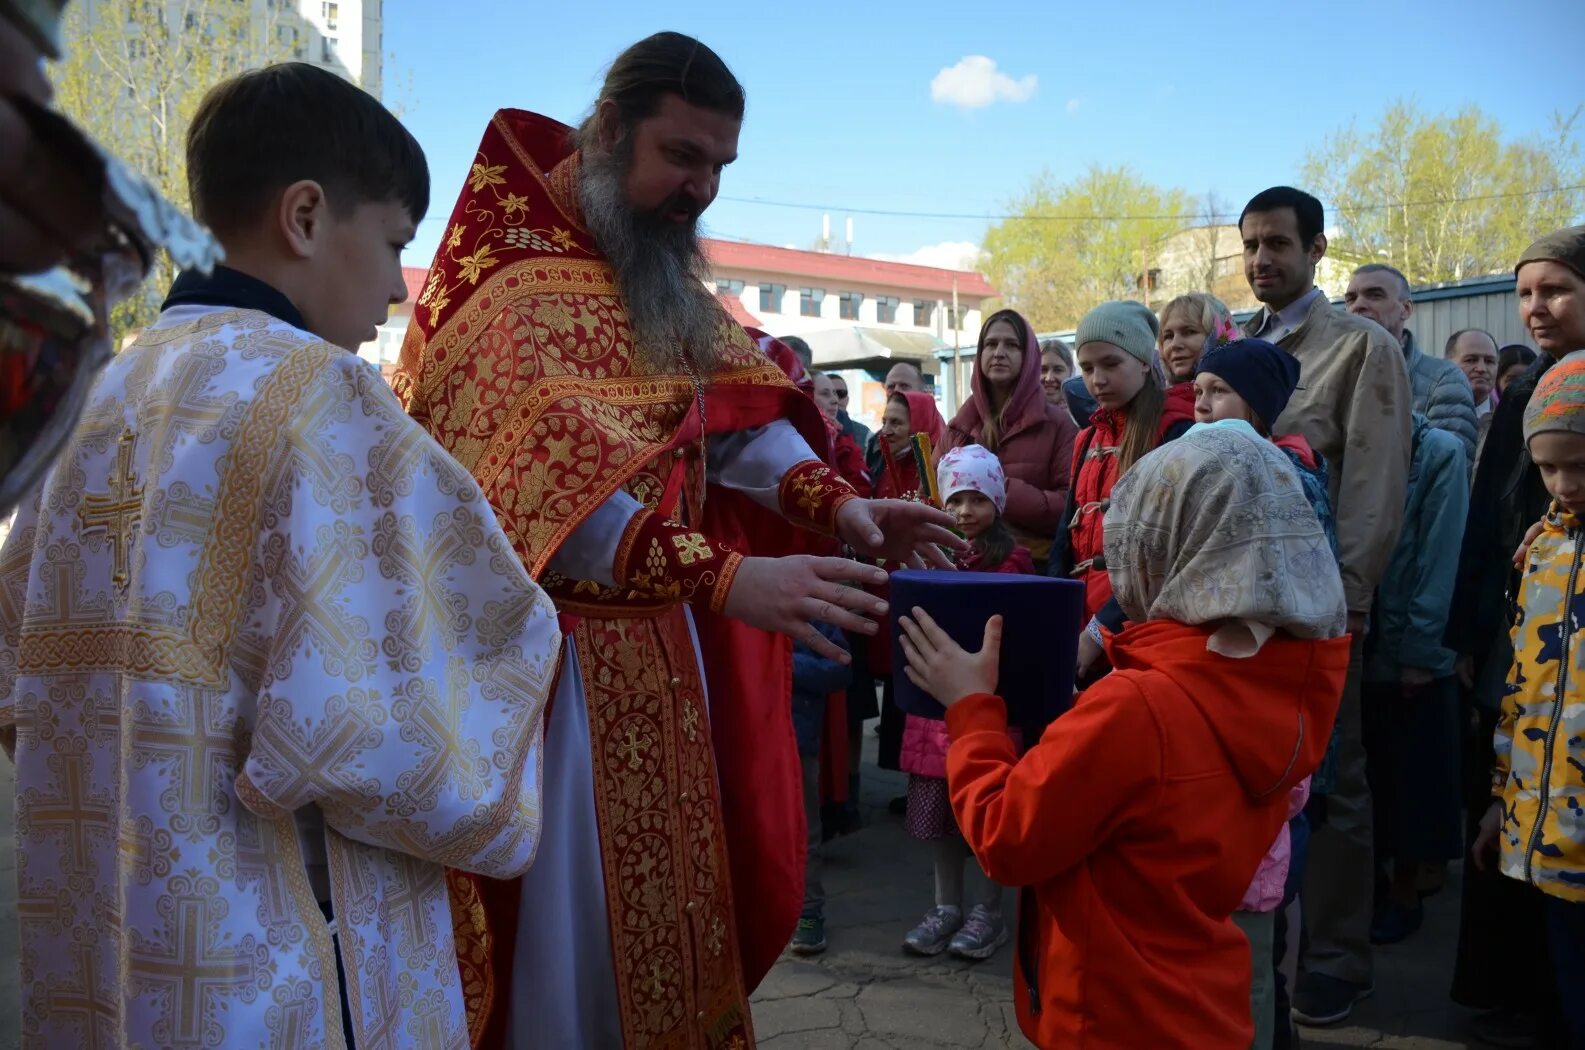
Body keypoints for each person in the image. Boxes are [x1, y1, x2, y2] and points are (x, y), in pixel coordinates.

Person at [394, 34, 963, 1048]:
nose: (701, 189)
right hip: (548, 677)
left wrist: (842, 508)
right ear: (610, 129)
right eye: (682, 156)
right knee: (568, 949)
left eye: (719, 166)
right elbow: (540, 492)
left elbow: (732, 424)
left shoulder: (648, 265)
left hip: (665, 650)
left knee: (670, 931)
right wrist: (728, 577)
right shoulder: (511, 284)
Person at [0, 63, 566, 1048]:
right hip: (275, 937)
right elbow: (380, 727)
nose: (395, 286)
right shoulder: (325, 398)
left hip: (104, 926)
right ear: (304, 217)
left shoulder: (96, 393)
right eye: (393, 243)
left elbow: (18, 678)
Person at [899, 424, 1351, 1050]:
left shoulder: (1139, 708)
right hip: (1202, 1002)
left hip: (1110, 1013)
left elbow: (1006, 837)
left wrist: (972, 709)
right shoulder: (1275, 681)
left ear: (1170, 541)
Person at [1239, 186, 1414, 1026]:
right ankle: (1264, 943)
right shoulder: (1241, 347)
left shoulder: (1357, 347)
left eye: (1277, 243)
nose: (1261, 259)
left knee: (1332, 778)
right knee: (1257, 773)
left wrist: (1345, 600)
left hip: (1320, 608)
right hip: (1238, 607)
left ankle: (1337, 958)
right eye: (1250, 245)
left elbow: (1374, 486)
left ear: (1315, 250)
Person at [1448, 226, 1585, 1046]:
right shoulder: (1527, 390)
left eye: (1556, 289)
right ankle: (1520, 993)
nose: (1536, 307)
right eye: (1525, 292)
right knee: (1507, 816)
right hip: (1525, 650)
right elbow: (1484, 524)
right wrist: (1469, 632)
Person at [1190, 338, 1336, 1050]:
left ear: (1259, 406)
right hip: (1221, 679)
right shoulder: (1204, 465)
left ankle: (1272, 1008)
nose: (1200, 403)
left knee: (1275, 856)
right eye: (1197, 391)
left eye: (1217, 392)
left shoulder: (1286, 477)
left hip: (1267, 687)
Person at [1471, 352, 1585, 1049]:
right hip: (1548, 830)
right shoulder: (1540, 551)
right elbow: (1523, 691)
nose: (1564, 485)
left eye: (1580, 466)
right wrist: (1501, 799)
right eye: (1547, 468)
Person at [898, 445, 1030, 961]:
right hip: (935, 710)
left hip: (988, 705)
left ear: (996, 501)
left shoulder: (1012, 561)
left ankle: (987, 912)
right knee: (942, 816)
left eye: (977, 499)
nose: (965, 511)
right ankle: (945, 906)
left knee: (988, 810)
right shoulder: (930, 553)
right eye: (955, 500)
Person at [1359, 410, 1468, 947]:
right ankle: (1374, 889)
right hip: (1362, 639)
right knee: (1372, 775)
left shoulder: (1439, 451)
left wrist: (1421, 650)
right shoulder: (1345, 443)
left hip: (1408, 644)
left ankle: (1404, 892)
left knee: (1412, 780)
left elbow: (1440, 555)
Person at [1049, 300, 1195, 679]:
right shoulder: (1086, 439)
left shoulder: (1175, 433)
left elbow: (1165, 552)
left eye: (1111, 364)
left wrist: (1099, 632)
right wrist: (1055, 612)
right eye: (1087, 368)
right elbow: (1066, 535)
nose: (1097, 379)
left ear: (1145, 361)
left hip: (1137, 631)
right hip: (1076, 623)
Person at [942, 309, 1077, 570]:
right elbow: (931, 495)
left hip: (1031, 569)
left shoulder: (1058, 426)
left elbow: (1070, 508)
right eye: (991, 344)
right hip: (962, 567)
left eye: (1012, 345)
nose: (999, 352)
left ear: (1029, 357)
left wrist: (1000, 490)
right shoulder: (959, 426)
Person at [870, 389, 949, 777]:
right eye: (884, 421)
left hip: (921, 587)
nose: (886, 430)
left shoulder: (932, 469)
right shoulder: (885, 464)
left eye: (897, 422)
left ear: (917, 424)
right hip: (890, 584)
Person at [1345, 264, 1476, 461]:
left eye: (1375, 295)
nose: (1358, 305)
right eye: (1351, 299)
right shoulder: (1329, 375)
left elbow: (1446, 468)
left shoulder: (1443, 380)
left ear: (1405, 309)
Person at [789, 620, 851, 956]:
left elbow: (839, 666)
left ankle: (809, 911)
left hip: (799, 740)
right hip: (751, 738)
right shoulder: (742, 606)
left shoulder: (812, 612)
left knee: (804, 830)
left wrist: (785, 664)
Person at [1158, 292, 1240, 385]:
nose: (1174, 344)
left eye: (1189, 332)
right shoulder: (1157, 394)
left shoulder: (1247, 389)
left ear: (1218, 336)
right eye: (1168, 336)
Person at [866, 359, 930, 477]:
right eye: (891, 387)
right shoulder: (876, 442)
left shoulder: (943, 443)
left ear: (924, 393)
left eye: (904, 386)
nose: (896, 391)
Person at [813, 371, 872, 494]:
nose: (835, 400)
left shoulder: (843, 438)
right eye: (825, 394)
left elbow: (862, 488)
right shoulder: (791, 438)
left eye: (836, 393)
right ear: (807, 395)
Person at [829, 370, 874, 449]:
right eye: (827, 394)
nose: (835, 399)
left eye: (841, 393)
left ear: (847, 399)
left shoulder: (865, 434)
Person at [1039, 337, 1074, 406]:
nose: (1049, 378)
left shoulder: (1084, 410)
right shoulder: (1019, 409)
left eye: (1058, 370)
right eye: (1043, 370)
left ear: (1070, 372)